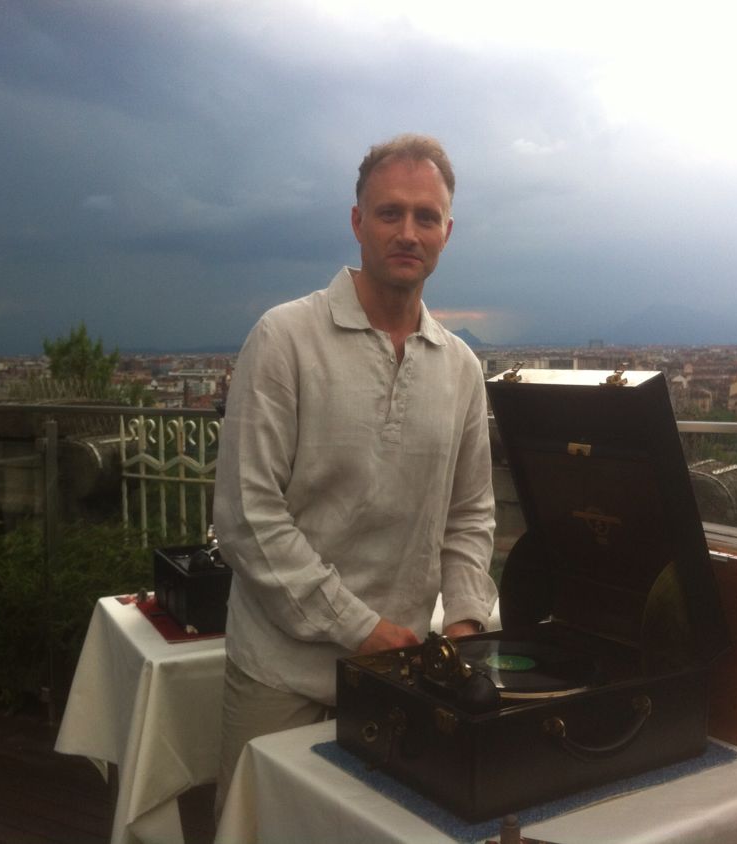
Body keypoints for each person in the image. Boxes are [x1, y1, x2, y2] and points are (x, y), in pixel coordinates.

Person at [212, 134, 497, 817]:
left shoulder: (461, 367)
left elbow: (469, 514)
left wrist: (465, 623)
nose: (408, 232)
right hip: (282, 674)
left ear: (447, 232)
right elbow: (248, 516)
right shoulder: (284, 338)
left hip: (399, 674)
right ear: (357, 222)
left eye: (426, 217)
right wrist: (360, 628)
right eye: (390, 212)